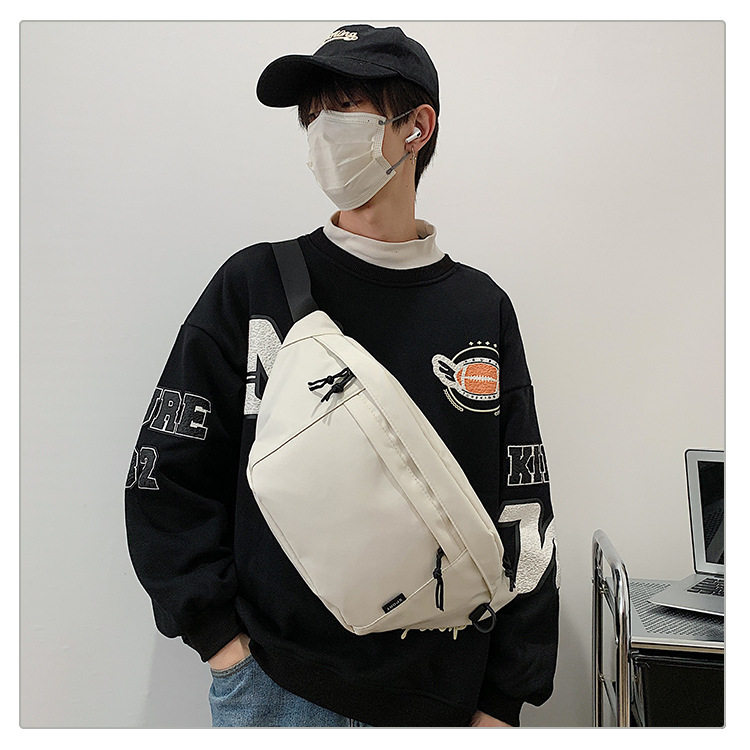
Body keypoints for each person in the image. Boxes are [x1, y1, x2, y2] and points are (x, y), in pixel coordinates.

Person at [124, 23, 560, 728]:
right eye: (311, 115)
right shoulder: (254, 287)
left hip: (442, 700)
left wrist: (505, 698)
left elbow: (523, 502)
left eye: (345, 109)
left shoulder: (480, 310)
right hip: (277, 690)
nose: (322, 131)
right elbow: (164, 473)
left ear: (416, 127)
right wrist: (221, 643)